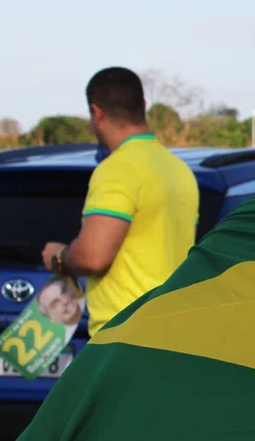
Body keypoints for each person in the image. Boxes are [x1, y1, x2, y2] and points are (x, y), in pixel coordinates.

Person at [41, 67, 199, 336]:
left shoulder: (117, 169)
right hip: (169, 330)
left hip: (124, 335)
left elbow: (93, 257)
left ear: (97, 112)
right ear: (143, 106)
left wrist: (59, 257)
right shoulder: (179, 170)